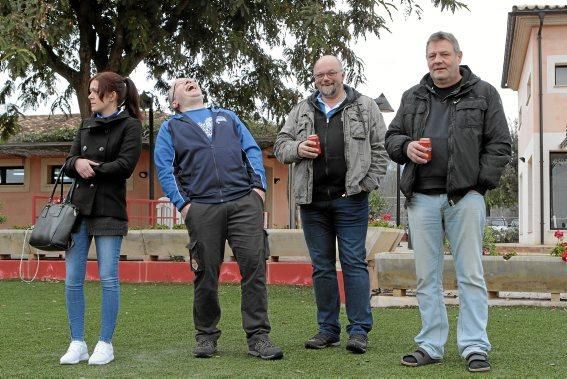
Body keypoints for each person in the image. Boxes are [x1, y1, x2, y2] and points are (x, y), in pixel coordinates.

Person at [385, 31, 511, 372]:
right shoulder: (412, 97)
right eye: (431, 56)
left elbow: (500, 145)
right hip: (421, 199)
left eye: (443, 54)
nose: (437, 61)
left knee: (471, 274)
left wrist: (477, 186)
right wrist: (406, 147)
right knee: (427, 277)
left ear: (458, 56)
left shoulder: (484, 94)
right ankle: (430, 344)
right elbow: (392, 137)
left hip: (464, 198)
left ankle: (474, 346)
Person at [154, 78, 283, 360]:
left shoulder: (227, 116)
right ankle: (206, 335)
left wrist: (258, 189)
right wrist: (185, 206)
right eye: (181, 83)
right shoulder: (171, 127)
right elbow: (165, 168)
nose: (190, 81)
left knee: (254, 268)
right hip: (201, 208)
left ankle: (258, 336)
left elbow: (251, 150)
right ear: (175, 102)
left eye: (192, 80)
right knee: (206, 273)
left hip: (243, 203)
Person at [274, 55, 389, 354]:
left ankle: (359, 330)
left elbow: (381, 148)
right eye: (320, 75)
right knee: (322, 267)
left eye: (331, 73)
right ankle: (327, 329)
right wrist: (298, 148)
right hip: (312, 202)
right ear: (314, 78)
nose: (326, 79)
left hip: (350, 200)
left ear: (342, 74)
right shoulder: (301, 109)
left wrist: (368, 183)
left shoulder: (365, 106)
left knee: (353, 263)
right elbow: (280, 145)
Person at [59, 72, 143, 365]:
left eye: (95, 92)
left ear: (112, 95)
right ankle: (77, 342)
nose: (90, 96)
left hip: (109, 209)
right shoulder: (85, 124)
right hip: (78, 211)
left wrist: (91, 168)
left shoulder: (131, 126)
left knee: (108, 278)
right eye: (90, 92)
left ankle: (105, 343)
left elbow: (125, 166)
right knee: (72, 279)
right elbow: (68, 162)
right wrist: (77, 162)